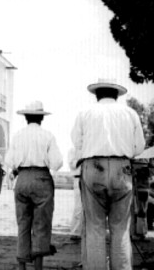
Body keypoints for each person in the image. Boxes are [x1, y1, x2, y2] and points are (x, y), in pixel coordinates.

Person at [71, 78, 145, 270]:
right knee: (120, 229)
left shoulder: (85, 113)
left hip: (93, 166)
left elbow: (77, 144)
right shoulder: (130, 113)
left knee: (94, 228)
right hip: (122, 168)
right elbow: (139, 146)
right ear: (116, 95)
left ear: (96, 94)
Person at [5, 100, 63, 270]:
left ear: (26, 118)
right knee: (41, 225)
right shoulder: (47, 135)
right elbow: (57, 163)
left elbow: (9, 160)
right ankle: (38, 267)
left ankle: (22, 265)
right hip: (41, 179)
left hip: (22, 179)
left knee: (23, 223)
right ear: (41, 118)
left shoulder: (18, 135)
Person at [68, 146, 82, 241]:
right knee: (79, 207)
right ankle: (75, 232)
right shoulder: (73, 150)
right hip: (79, 178)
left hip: (91, 179)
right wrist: (83, 159)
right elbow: (72, 164)